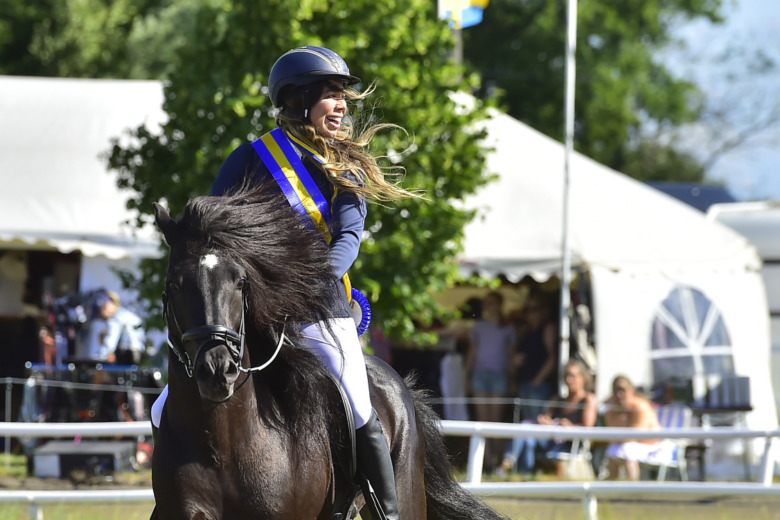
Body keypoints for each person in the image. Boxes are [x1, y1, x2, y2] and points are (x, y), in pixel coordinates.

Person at [151, 45, 419, 520]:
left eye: (343, 97)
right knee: (162, 409)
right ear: (298, 100)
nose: (341, 106)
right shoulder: (249, 159)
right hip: (250, 312)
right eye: (332, 95)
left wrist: (312, 283)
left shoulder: (345, 166)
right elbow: (216, 236)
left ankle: (385, 510)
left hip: (320, 308)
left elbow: (349, 238)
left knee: (359, 406)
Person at [499, 359, 598, 476]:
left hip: (570, 445)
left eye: (572, 376)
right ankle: (520, 472)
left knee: (528, 438)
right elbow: (546, 417)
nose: (568, 380)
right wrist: (546, 421)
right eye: (566, 376)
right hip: (551, 441)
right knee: (527, 434)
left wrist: (569, 427)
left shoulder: (588, 399)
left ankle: (515, 468)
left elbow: (588, 429)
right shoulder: (558, 399)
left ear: (583, 378)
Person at [464, 291, 516, 468]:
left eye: (491, 303)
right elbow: (472, 352)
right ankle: (485, 463)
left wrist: (512, 378)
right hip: (480, 374)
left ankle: (497, 460)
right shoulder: (479, 326)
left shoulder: (508, 328)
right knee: (482, 420)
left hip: (499, 376)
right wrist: (467, 375)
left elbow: (510, 356)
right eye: (486, 303)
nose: (488, 306)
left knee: (495, 420)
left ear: (499, 305)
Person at [603, 375, 670, 481]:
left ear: (631, 391)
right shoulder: (614, 409)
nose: (619, 395)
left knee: (628, 449)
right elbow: (613, 433)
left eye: (623, 390)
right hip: (629, 445)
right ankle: (611, 482)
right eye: (616, 391)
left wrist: (619, 437)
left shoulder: (641, 407)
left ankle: (633, 485)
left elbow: (636, 434)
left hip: (653, 447)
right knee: (615, 448)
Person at [512, 289, 557, 422]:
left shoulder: (548, 328)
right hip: (525, 382)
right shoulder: (527, 331)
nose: (530, 314)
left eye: (534, 309)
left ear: (544, 311)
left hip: (538, 385)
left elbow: (552, 357)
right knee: (527, 423)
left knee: (538, 422)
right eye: (528, 309)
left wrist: (538, 380)